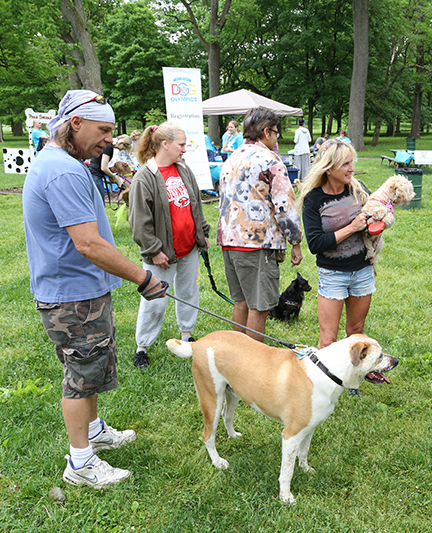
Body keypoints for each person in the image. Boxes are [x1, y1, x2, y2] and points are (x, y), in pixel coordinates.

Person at [23, 90, 166, 489]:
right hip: (71, 295)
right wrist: (143, 278)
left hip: (80, 290)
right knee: (80, 373)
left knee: (92, 367)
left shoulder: (62, 162)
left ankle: (95, 430)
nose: (109, 138)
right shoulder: (64, 170)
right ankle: (81, 462)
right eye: (102, 130)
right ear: (75, 123)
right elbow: (87, 243)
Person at [128, 122, 211, 368]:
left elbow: (195, 204)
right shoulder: (145, 176)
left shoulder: (183, 170)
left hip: (189, 249)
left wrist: (202, 233)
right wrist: (154, 251)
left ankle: (187, 335)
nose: (185, 150)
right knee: (155, 299)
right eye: (181, 145)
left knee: (189, 293)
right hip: (162, 255)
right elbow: (139, 221)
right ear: (165, 144)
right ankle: (142, 346)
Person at [216, 107, 303, 342]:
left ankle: (237, 359)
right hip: (257, 243)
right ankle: (251, 366)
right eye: (276, 132)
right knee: (259, 307)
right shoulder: (270, 160)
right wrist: (295, 242)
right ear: (266, 132)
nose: (276, 138)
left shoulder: (231, 158)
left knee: (241, 302)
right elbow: (285, 207)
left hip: (229, 240)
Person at [297, 140, 373, 349]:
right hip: (333, 275)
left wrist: (376, 224)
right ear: (329, 169)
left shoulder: (358, 190)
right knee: (328, 340)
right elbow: (315, 243)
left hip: (362, 271)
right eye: (345, 164)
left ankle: (352, 382)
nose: (352, 168)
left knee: (356, 332)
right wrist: (352, 227)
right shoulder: (313, 199)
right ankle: (325, 382)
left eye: (351, 162)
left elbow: (375, 215)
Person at [88, 135, 120, 202]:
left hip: (92, 173)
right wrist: (114, 177)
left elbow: (92, 160)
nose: (120, 150)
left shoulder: (105, 145)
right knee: (100, 202)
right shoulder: (109, 147)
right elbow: (103, 167)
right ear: (121, 143)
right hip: (95, 176)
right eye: (123, 148)